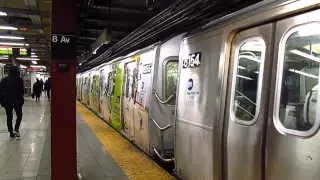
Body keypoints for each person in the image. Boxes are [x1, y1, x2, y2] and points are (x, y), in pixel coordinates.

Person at [0, 66, 24, 139]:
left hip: (7, 101)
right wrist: (21, 100)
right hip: (17, 101)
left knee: (9, 117)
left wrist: (1, 101)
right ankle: (16, 129)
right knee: (19, 115)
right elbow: (21, 92)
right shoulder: (19, 80)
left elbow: (0, 92)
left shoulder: (3, 80)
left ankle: (11, 133)